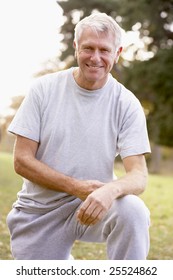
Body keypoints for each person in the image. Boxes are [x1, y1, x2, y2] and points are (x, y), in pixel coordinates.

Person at [7, 12, 151, 260]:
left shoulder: (126, 103)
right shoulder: (43, 90)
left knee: (133, 211)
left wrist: (109, 191)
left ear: (117, 53)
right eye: (88, 48)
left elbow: (138, 175)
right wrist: (75, 186)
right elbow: (21, 160)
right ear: (76, 47)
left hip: (95, 203)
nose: (95, 58)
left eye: (104, 50)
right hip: (39, 212)